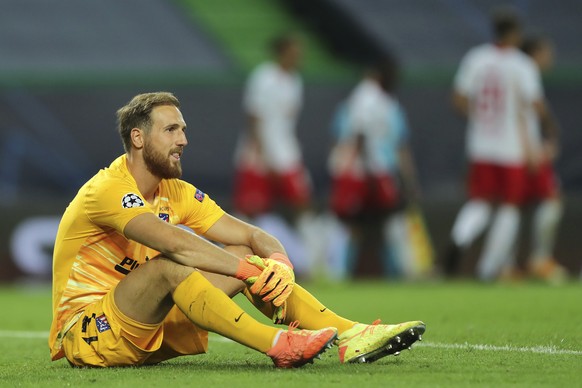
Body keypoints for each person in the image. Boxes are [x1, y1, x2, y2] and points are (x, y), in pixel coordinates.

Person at [48, 92, 426, 368]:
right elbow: (174, 243)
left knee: (248, 255)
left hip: (148, 326)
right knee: (170, 264)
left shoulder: (174, 192)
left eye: (183, 130)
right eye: (171, 130)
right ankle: (278, 344)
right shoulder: (108, 188)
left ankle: (351, 334)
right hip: (89, 332)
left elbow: (249, 235)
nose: (183, 140)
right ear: (138, 138)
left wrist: (278, 262)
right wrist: (245, 272)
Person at [443, 7, 553, 281]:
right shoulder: (521, 64)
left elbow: (457, 100)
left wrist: (479, 118)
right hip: (511, 147)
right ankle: (490, 268)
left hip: (481, 144)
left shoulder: (476, 58)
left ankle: (459, 239)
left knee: (480, 201)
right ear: (515, 33)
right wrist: (551, 126)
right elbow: (535, 104)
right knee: (509, 206)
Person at [327, 58, 424, 278]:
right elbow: (359, 134)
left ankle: (400, 270)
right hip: (364, 170)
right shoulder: (367, 96)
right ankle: (336, 271)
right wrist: (365, 168)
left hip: (376, 169)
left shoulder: (385, 101)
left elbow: (398, 143)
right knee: (355, 221)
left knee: (384, 219)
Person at [232, 33, 318, 277]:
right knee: (249, 210)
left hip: (286, 152)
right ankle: (234, 261)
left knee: (302, 203)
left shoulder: (295, 81)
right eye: (294, 50)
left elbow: (287, 122)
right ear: (282, 51)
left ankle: (313, 263)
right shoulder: (263, 77)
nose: (299, 55)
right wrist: (262, 155)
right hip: (258, 154)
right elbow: (254, 117)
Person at [501, 34, 565, 282]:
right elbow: (523, 111)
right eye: (547, 52)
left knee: (513, 206)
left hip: (511, 149)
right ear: (536, 52)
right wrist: (533, 147)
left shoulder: (512, 71)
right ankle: (539, 259)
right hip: (522, 151)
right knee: (548, 200)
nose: (551, 58)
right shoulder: (525, 70)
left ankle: (508, 265)